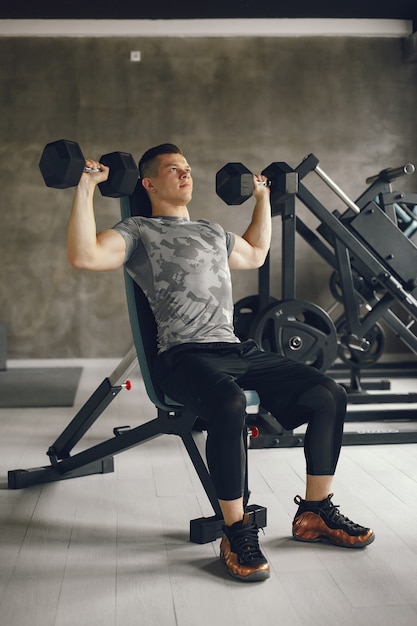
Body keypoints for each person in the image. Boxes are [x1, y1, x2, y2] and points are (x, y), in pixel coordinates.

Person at [67, 143, 375, 583]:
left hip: (235, 349)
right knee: (229, 404)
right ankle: (235, 531)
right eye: (174, 169)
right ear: (149, 183)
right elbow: (84, 255)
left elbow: (254, 254)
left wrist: (263, 198)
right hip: (183, 356)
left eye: (188, 168)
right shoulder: (139, 230)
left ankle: (315, 513)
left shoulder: (212, 231)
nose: (186, 174)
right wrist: (84, 187)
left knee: (328, 393)